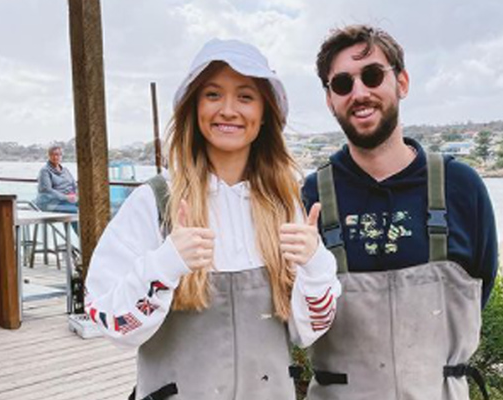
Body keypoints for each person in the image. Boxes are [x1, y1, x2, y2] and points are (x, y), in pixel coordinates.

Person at [85, 38, 340, 400]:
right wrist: (165, 264)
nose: (229, 110)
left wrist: (315, 265)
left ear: (265, 112)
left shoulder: (285, 207)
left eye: (246, 96)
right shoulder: (155, 201)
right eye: (213, 94)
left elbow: (307, 332)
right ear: (194, 107)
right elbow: (110, 321)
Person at [301, 25, 498, 400]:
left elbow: (480, 286)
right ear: (330, 100)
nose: (359, 93)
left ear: (402, 82)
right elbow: (300, 311)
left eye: (373, 75)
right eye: (342, 84)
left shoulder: (461, 186)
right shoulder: (310, 196)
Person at [35, 145, 78, 214]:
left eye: (58, 155)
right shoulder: (45, 171)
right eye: (52, 155)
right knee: (76, 211)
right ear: (49, 156)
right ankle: (80, 225)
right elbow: (47, 190)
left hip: (68, 199)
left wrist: (76, 194)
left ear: (61, 156)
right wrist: (66, 197)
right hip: (51, 202)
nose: (55, 157)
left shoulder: (65, 170)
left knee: (88, 205)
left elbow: (74, 185)